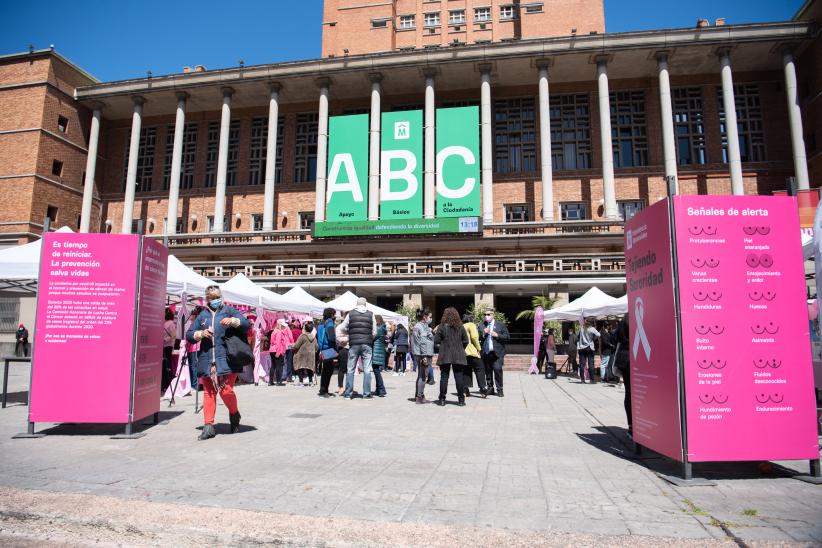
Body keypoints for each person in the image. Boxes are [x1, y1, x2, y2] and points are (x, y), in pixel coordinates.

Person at [186, 285, 250, 441]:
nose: (215, 300)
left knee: (226, 390)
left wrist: (234, 321)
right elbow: (188, 334)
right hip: (208, 358)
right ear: (207, 299)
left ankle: (234, 414)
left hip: (227, 358)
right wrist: (201, 333)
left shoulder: (229, 310)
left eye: (217, 297)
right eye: (212, 298)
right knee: (209, 392)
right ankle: (208, 426)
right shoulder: (202, 316)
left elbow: (246, 325)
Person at [339, 297, 376, 400]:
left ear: (356, 304)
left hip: (354, 344)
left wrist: (350, 332)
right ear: (365, 304)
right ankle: (367, 394)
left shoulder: (351, 313)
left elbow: (342, 327)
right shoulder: (371, 314)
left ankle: (348, 394)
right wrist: (368, 337)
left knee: (350, 369)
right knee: (367, 370)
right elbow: (374, 332)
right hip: (367, 344)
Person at [434, 307, 469, 406]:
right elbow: (466, 341)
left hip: (445, 354)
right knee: (459, 378)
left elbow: (436, 341)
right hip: (458, 354)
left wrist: (442, 347)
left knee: (444, 377)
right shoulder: (461, 326)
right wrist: (460, 348)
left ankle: (442, 399)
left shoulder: (441, 326)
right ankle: (461, 400)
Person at [480, 308, 509, 397]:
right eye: (485, 314)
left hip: (497, 353)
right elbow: (477, 337)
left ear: (493, 315)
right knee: (488, 371)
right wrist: (483, 334)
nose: (486, 316)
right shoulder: (482, 325)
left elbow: (507, 337)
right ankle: (490, 388)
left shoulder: (500, 325)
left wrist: (497, 335)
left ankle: (500, 389)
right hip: (486, 352)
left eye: (488, 314)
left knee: (497, 369)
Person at [612, 314, 632, 436]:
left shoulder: (625, 317)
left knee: (629, 392)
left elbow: (616, 338)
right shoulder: (640, 313)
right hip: (636, 356)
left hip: (624, 358)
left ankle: (631, 426)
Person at [411, 308, 434, 404]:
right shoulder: (420, 326)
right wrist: (424, 356)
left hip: (421, 353)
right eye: (430, 317)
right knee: (423, 376)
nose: (431, 318)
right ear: (425, 317)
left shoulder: (423, 326)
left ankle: (419, 395)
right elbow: (423, 343)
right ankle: (419, 397)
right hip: (423, 354)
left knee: (421, 375)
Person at [462, 312, 487, 398]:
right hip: (472, 351)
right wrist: (479, 349)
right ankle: (482, 388)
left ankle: (465, 389)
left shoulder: (462, 326)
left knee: (466, 370)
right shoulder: (471, 325)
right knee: (480, 368)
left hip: (464, 352)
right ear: (471, 318)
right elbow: (474, 338)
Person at [317, 307, 338, 397]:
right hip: (329, 349)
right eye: (334, 314)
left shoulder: (321, 324)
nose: (335, 316)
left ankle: (324, 390)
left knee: (325, 370)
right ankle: (323, 391)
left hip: (322, 349)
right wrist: (335, 347)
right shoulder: (329, 323)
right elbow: (331, 337)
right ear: (331, 314)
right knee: (328, 371)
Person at [268, 319, 293, 386]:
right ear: (280, 325)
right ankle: (279, 381)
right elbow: (278, 343)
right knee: (279, 366)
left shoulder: (274, 331)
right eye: (282, 326)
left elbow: (272, 341)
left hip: (272, 350)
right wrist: (278, 352)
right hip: (278, 350)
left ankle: (270, 381)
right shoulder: (279, 332)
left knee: (273, 366)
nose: (283, 327)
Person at [292, 321, 318, 385]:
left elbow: (297, 345)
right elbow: (316, 347)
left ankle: (301, 382)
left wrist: (293, 347)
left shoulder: (303, 336)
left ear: (305, 329)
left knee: (300, 367)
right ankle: (311, 382)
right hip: (310, 355)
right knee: (309, 368)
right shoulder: (313, 337)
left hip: (302, 355)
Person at [577, 318, 600, 384]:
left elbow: (578, 336)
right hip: (590, 347)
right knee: (591, 364)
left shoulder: (581, 328)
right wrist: (593, 337)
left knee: (582, 364)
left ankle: (582, 379)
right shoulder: (592, 329)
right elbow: (599, 334)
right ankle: (592, 380)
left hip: (582, 347)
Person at [372, 315, 388, 397]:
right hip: (380, 352)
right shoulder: (383, 328)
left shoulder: (378, 329)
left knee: (376, 371)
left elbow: (372, 338)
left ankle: (381, 389)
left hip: (376, 352)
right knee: (376, 370)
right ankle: (378, 389)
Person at [161, 309, 176, 394]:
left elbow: (173, 335)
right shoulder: (162, 322)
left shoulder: (170, 323)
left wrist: (165, 339)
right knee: (162, 367)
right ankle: (163, 384)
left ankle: (167, 384)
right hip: (161, 347)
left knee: (166, 366)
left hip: (167, 347)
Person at [335, 316, 350, 396]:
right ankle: (340, 387)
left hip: (350, 349)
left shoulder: (351, 326)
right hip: (343, 349)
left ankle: (348, 387)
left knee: (349, 370)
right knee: (342, 369)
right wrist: (348, 337)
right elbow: (339, 339)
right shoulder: (339, 327)